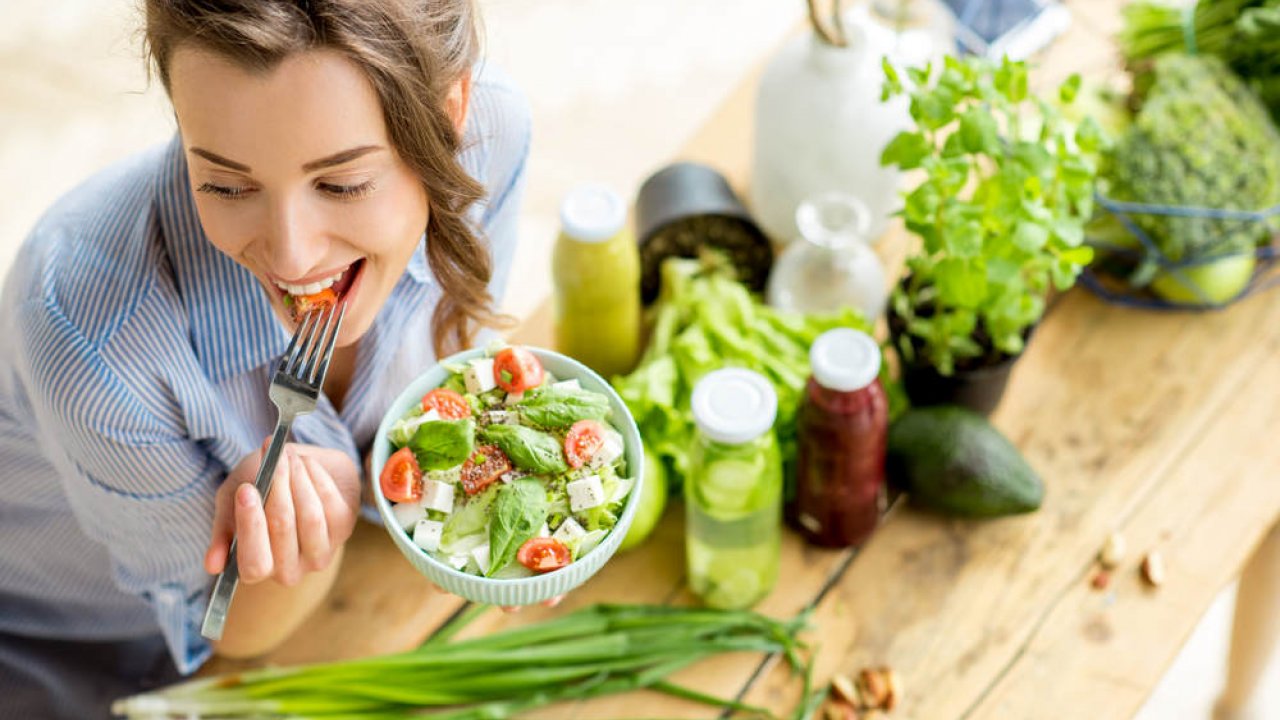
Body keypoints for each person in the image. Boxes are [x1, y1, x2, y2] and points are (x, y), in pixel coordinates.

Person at [0, 1, 529, 717]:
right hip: (61, 651)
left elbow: (448, 388)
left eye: (342, 184)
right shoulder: (87, 335)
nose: (289, 255)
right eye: (225, 184)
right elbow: (225, 631)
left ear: (452, 113)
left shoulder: (493, 139)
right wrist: (300, 524)